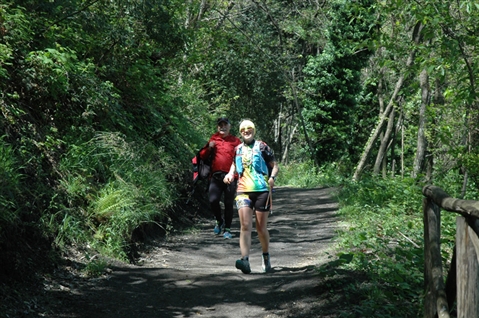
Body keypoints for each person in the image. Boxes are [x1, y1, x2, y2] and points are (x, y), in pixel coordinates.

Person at [223, 119, 279, 273]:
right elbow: (234, 164)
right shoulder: (238, 149)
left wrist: (272, 178)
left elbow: (275, 166)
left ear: (254, 130)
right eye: (243, 129)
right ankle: (245, 260)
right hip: (243, 191)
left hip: (262, 190)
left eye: (249, 129)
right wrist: (229, 174)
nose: (246, 131)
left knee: (261, 228)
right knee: (245, 226)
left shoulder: (262, 146)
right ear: (240, 132)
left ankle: (266, 256)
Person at [199, 117, 241, 239]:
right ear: (218, 127)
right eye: (220, 125)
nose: (222, 127)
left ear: (229, 127)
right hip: (215, 176)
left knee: (228, 203)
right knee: (213, 200)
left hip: (231, 177)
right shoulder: (214, 139)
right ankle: (219, 220)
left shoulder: (236, 141)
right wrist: (209, 147)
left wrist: (237, 175)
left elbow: (240, 159)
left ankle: (227, 229)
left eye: (225, 125)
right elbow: (202, 156)